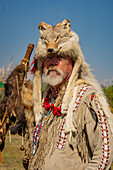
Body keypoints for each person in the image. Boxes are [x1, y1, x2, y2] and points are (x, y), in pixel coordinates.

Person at [28, 19, 113, 170]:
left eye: (59, 57)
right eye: (48, 58)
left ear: (72, 62)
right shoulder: (44, 102)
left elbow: (104, 154)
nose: (52, 62)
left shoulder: (88, 99)